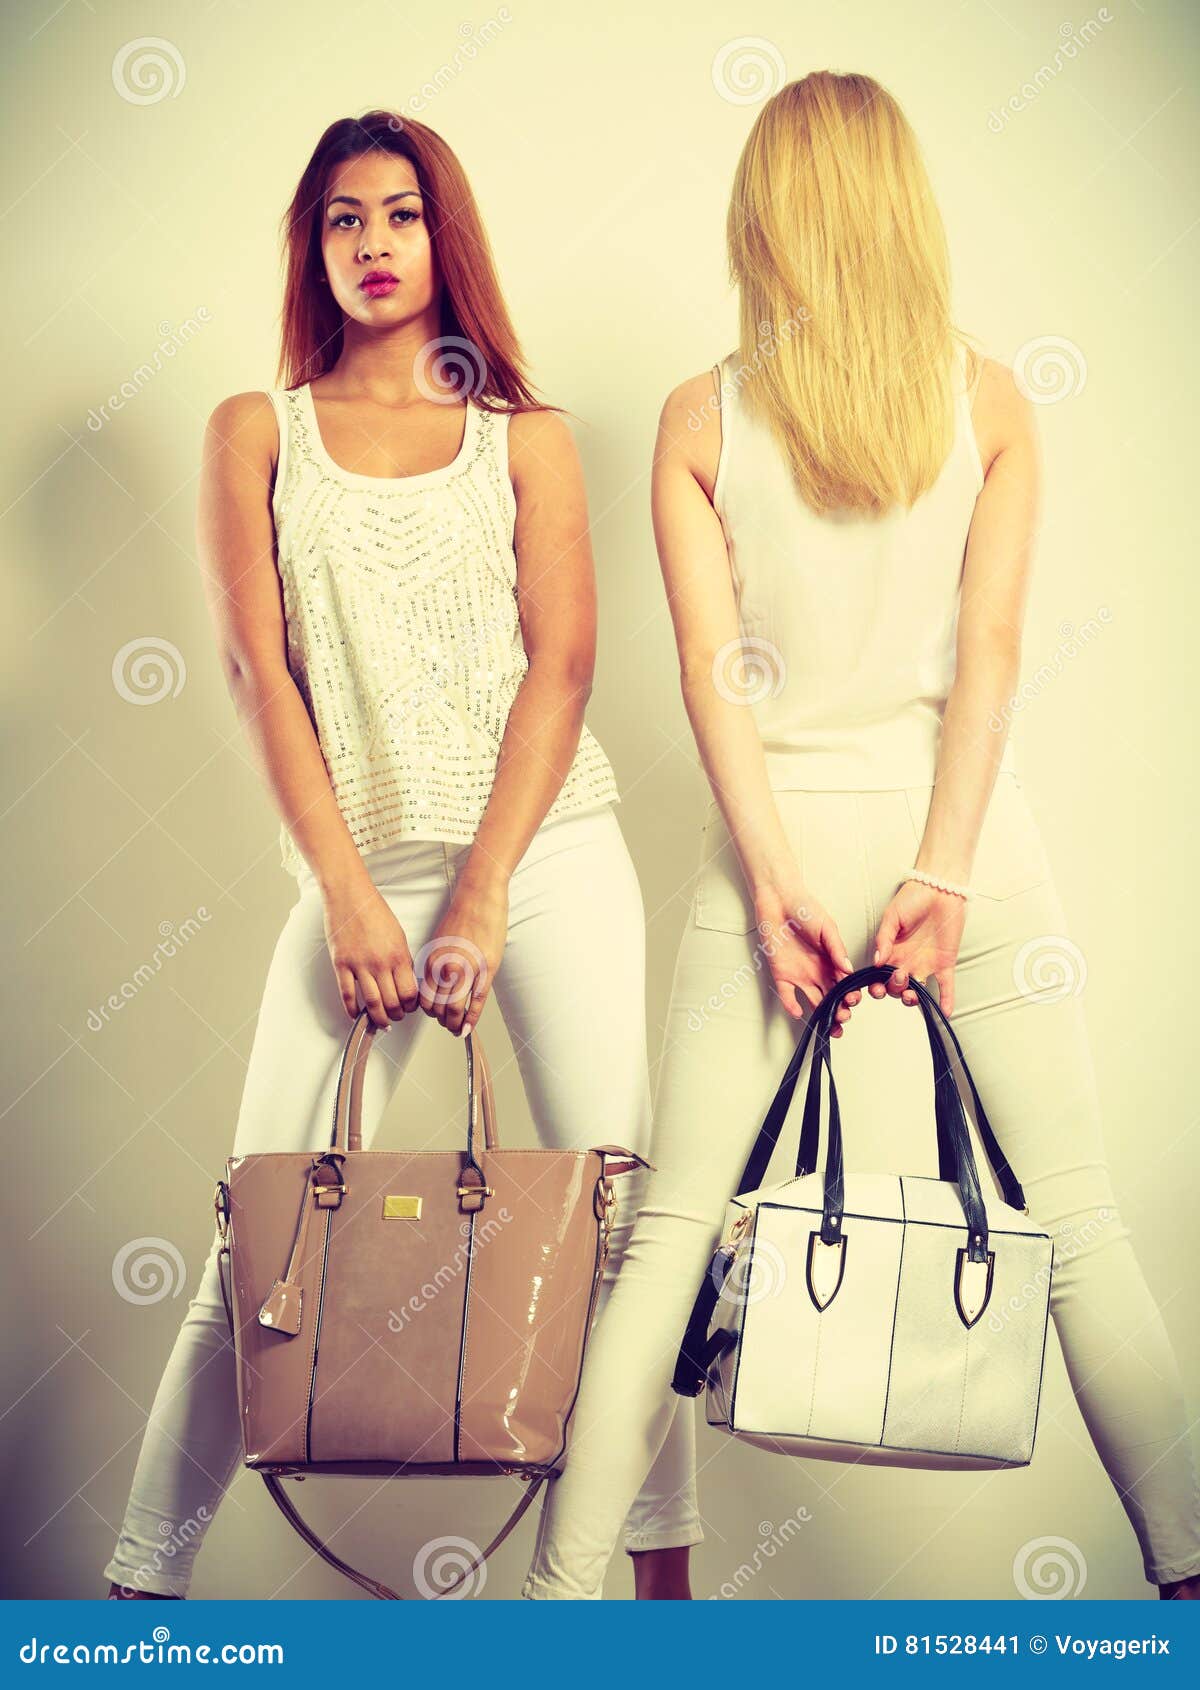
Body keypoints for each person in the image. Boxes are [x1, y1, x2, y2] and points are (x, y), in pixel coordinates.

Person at [520, 70, 1200, 1601]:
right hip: (969, 853)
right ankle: (1192, 1578)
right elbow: (997, 657)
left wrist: (773, 885)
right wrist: (946, 871)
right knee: (1082, 1222)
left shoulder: (703, 415)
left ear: (764, 213)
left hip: (775, 853)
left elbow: (711, 678)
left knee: (673, 1235)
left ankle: (556, 1619)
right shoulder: (995, 402)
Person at [103, 109, 701, 1601]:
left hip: (546, 856)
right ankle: (135, 1597)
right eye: (343, 220)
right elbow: (258, 672)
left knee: (626, 1235)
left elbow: (563, 667)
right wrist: (352, 895)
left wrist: (488, 888)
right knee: (256, 1230)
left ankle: (666, 1603)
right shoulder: (258, 429)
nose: (374, 245)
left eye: (403, 215)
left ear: (448, 239)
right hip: (355, 869)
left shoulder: (528, 440)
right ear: (314, 247)